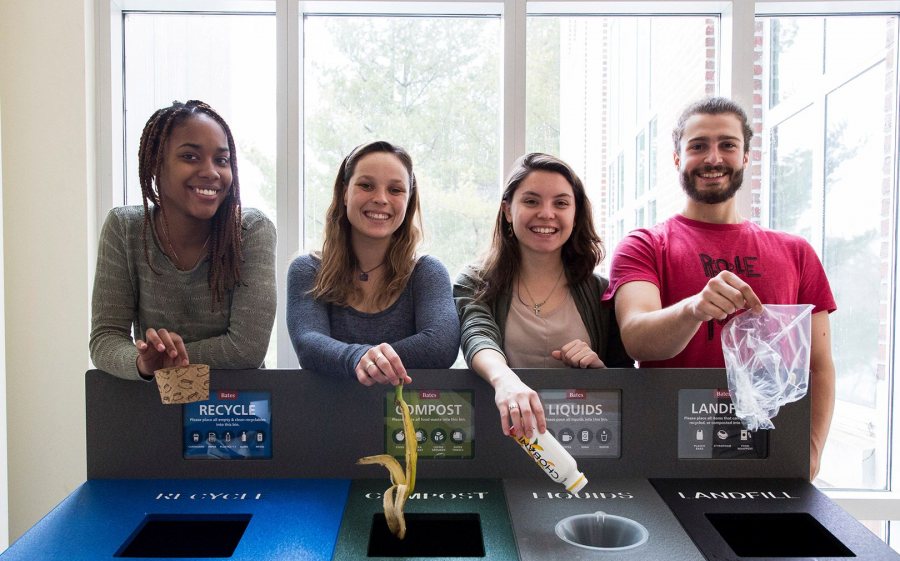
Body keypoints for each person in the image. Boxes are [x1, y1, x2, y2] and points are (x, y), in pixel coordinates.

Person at [603, 96, 836, 480]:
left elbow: (820, 365)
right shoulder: (645, 245)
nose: (713, 158)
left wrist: (811, 451)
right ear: (678, 158)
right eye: (698, 146)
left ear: (746, 156)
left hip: (773, 457)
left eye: (727, 145)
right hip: (667, 455)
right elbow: (637, 340)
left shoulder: (796, 253)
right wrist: (694, 307)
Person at [90, 100, 277, 380]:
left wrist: (166, 360)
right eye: (190, 157)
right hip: (154, 404)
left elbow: (246, 348)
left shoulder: (251, 231)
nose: (211, 172)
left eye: (222, 160)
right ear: (155, 164)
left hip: (237, 409)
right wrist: (142, 363)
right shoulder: (125, 228)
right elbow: (105, 339)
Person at [455, 153, 633, 439]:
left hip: (585, 443)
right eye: (531, 201)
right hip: (499, 437)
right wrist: (505, 380)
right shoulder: (474, 282)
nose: (547, 213)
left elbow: (624, 379)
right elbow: (477, 335)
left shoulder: (602, 291)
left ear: (576, 214)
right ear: (508, 210)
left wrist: (599, 369)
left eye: (561, 203)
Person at [287, 140, 460, 385]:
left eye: (395, 190)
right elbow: (308, 343)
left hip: (407, 419)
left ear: (409, 200)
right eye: (366, 185)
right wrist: (357, 358)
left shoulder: (427, 272)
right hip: (325, 417)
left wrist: (366, 360)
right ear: (344, 193)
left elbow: (440, 345)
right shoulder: (308, 269)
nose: (380, 198)